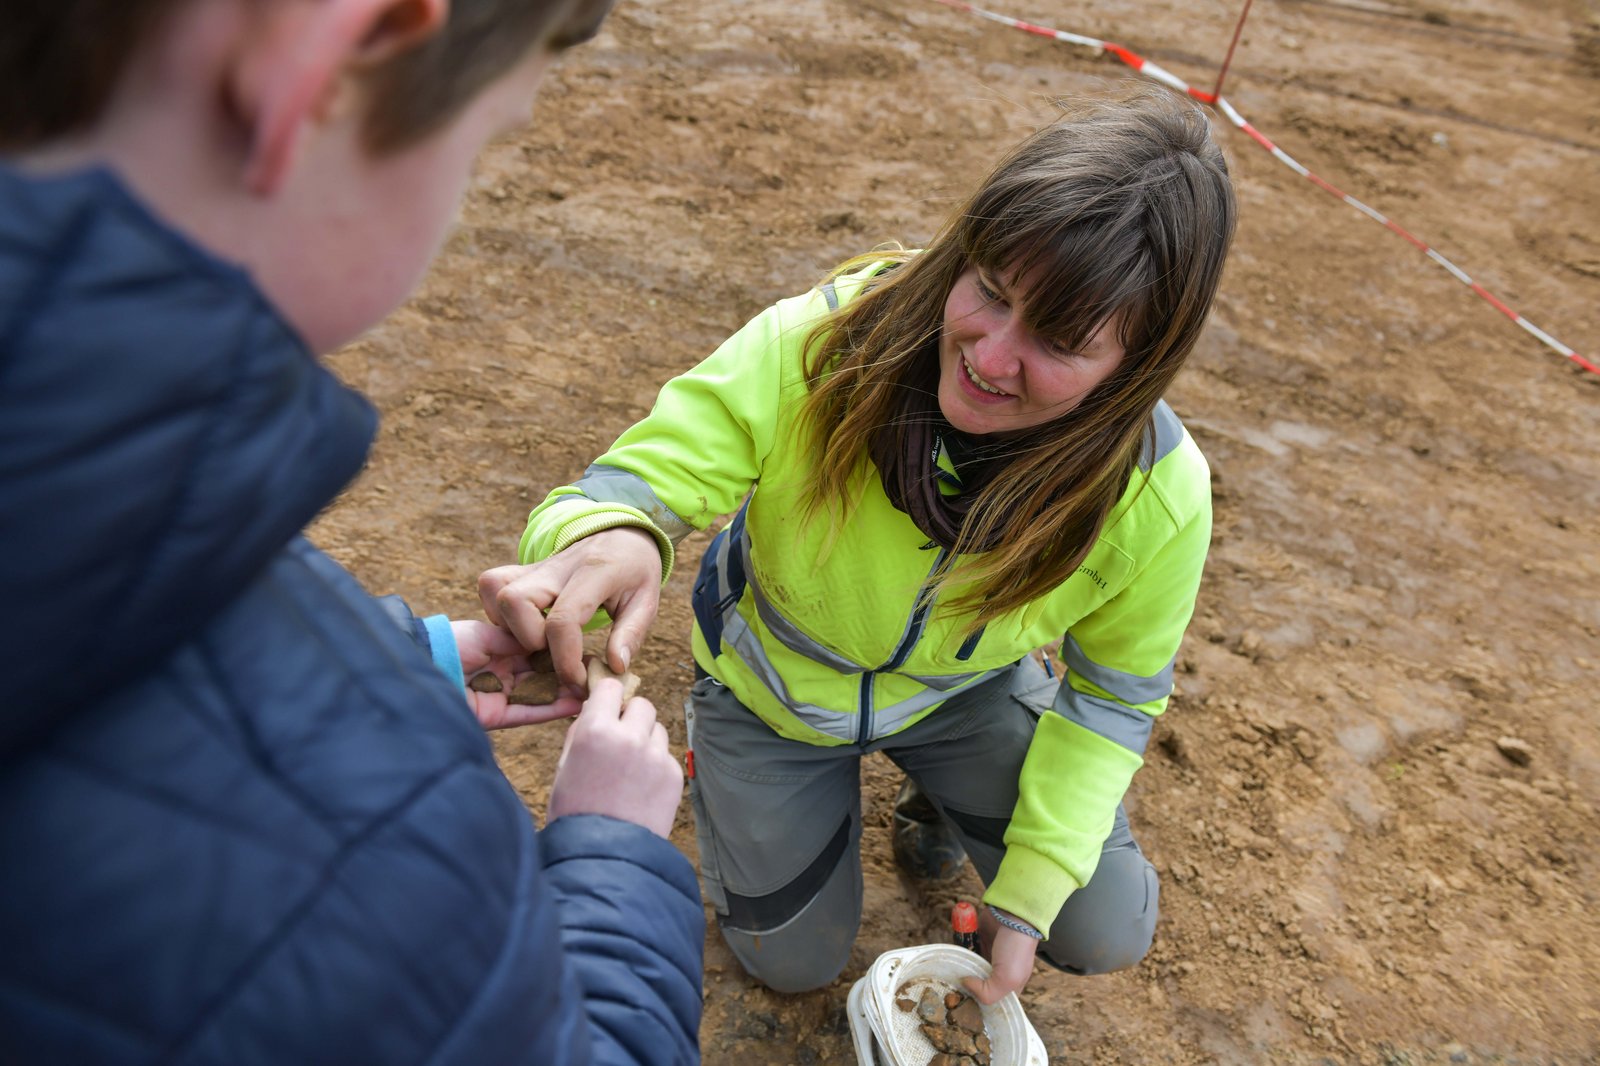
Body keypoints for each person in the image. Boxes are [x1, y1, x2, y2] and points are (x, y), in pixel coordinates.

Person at [0, 1, 703, 1063]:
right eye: (483, 141)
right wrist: (609, 855)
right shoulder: (369, 865)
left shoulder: (88, 448)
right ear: (323, 58)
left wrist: (395, 660)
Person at [480, 87, 1236, 1004]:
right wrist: (611, 532)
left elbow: (1114, 698)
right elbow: (641, 476)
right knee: (792, 962)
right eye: (990, 293)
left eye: (1060, 341)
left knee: (1100, 924)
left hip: (960, 692)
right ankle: (731, 749)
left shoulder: (1158, 493)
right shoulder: (834, 337)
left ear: (1138, 367)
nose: (992, 358)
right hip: (775, 689)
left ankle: (942, 794)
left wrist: (1034, 890)